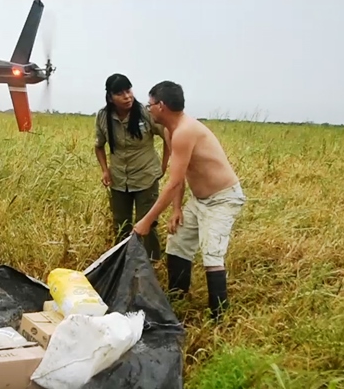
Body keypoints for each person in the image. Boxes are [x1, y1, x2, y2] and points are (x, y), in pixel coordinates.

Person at [133, 81, 247, 320]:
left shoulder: (185, 131)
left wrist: (146, 221)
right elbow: (180, 173)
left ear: (161, 106)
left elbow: (172, 183)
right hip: (200, 199)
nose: (149, 109)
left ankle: (219, 318)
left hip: (222, 199)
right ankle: (176, 300)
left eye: (150, 104)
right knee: (178, 241)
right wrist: (176, 209)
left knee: (212, 254)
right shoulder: (169, 131)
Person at [94, 73, 170, 261]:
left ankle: (151, 262)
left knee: (148, 223)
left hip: (146, 177)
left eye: (128, 91)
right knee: (121, 224)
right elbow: (99, 146)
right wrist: (105, 170)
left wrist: (164, 165)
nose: (127, 96)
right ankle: (123, 262)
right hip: (119, 179)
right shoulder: (103, 116)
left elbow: (168, 136)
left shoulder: (145, 113)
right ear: (110, 97)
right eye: (120, 93)